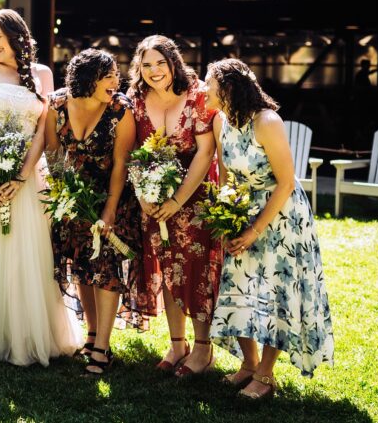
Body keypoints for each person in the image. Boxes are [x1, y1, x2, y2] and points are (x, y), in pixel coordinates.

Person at [0, 9, 81, 367]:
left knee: (28, 253)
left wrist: (23, 174)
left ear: (16, 36)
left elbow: (44, 129)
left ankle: (26, 333)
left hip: (28, 177)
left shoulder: (42, 74)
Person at [204, 58, 334, 400]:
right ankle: (248, 363)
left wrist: (255, 229)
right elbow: (226, 176)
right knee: (236, 286)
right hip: (240, 210)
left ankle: (265, 373)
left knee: (276, 292)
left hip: (280, 217)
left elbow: (287, 182)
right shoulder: (220, 121)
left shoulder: (267, 121)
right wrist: (226, 218)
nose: (204, 89)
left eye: (210, 84)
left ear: (229, 89)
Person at [127, 36, 221, 377]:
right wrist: (143, 195)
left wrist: (178, 199)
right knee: (166, 269)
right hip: (152, 199)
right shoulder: (137, 100)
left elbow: (205, 152)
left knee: (196, 272)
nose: (154, 72)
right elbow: (133, 151)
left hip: (193, 199)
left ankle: (202, 348)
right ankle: (177, 343)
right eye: (146, 65)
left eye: (160, 64)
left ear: (173, 63)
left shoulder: (196, 95)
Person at [45, 48, 139, 376]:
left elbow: (121, 162)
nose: (117, 81)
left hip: (113, 195)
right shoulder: (56, 105)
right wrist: (66, 195)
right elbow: (53, 153)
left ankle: (102, 350)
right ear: (88, 79)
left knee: (106, 264)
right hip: (74, 196)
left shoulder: (119, 109)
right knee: (82, 264)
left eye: (116, 74)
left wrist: (110, 209)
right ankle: (93, 334)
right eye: (109, 75)